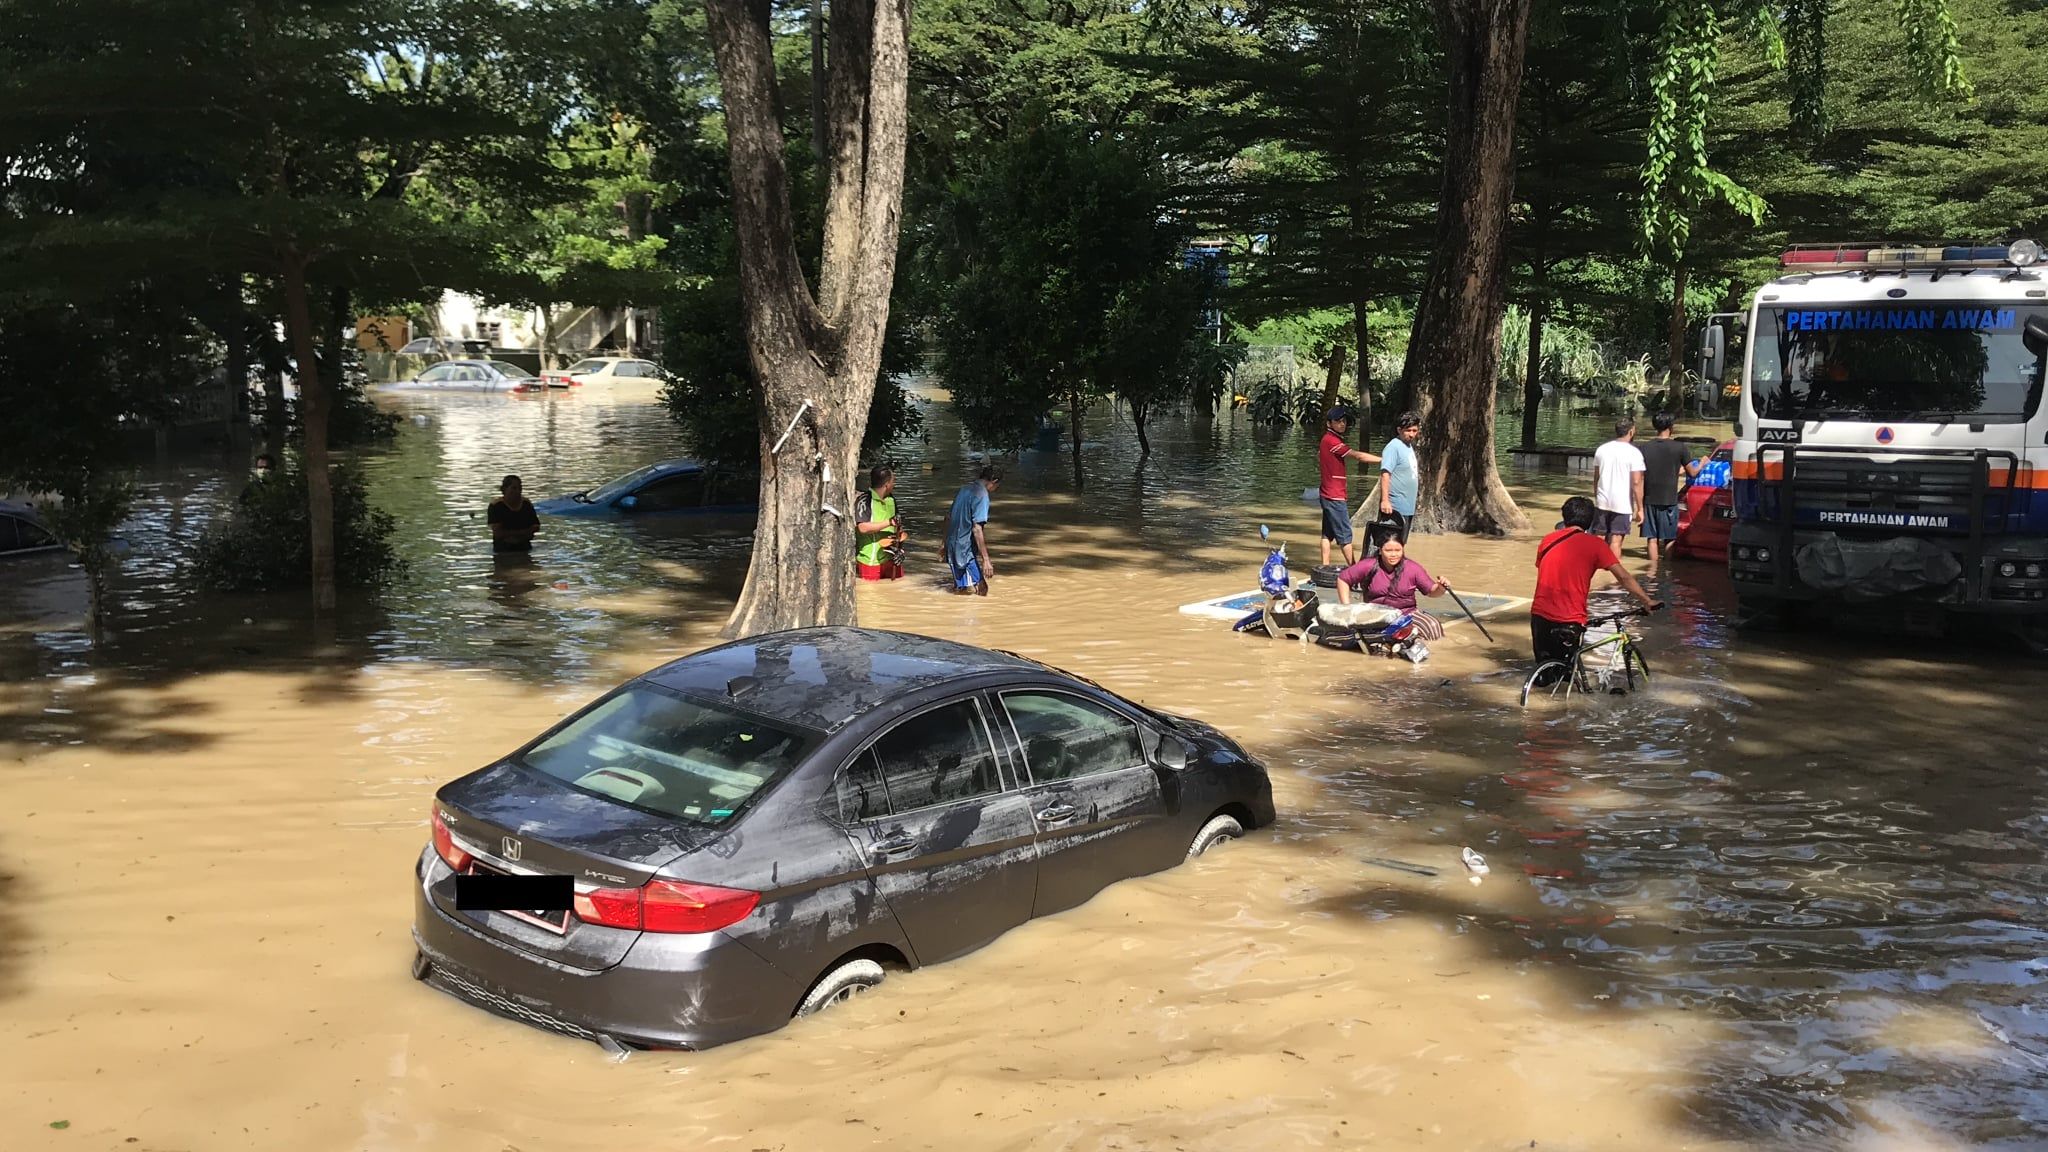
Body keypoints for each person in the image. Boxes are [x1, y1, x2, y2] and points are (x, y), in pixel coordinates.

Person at [1531, 497, 1661, 683]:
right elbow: (1623, 577)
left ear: (1565, 517)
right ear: (1590, 520)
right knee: (1567, 678)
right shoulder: (1596, 545)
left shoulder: (1547, 541)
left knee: (1543, 674)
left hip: (1540, 616)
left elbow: (1544, 569)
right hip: (1569, 618)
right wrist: (1647, 601)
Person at [1334, 536, 1449, 641]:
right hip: (1375, 614)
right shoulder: (1368, 565)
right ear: (1380, 550)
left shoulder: (1413, 568)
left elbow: (1432, 591)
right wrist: (1347, 608)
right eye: (1388, 551)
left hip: (1406, 614)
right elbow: (1343, 579)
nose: (1393, 554)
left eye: (1397, 550)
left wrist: (1441, 587)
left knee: (1432, 625)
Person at [1317, 406, 1381, 568]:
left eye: (1344, 421)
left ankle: (1324, 566)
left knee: (1328, 533)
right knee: (1345, 535)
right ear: (1329, 424)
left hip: (1327, 494)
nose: (1342, 424)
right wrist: (1384, 460)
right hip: (1335, 496)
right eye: (1338, 421)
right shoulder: (1332, 441)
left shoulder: (1328, 440)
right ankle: (1354, 569)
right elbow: (1358, 456)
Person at [1638, 413, 1700, 565]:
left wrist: (1638, 505)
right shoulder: (1679, 447)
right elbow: (1692, 472)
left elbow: (1640, 476)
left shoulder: (1644, 448)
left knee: (1652, 538)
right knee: (1669, 538)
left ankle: (1652, 572)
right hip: (1669, 499)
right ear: (1671, 428)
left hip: (1649, 498)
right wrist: (1703, 463)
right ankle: (1666, 570)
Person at [1591, 417, 1646, 552]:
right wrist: (1640, 508)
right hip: (1622, 504)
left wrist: (1597, 497)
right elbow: (1636, 482)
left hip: (1602, 501)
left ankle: (1596, 571)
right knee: (1616, 541)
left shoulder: (1602, 449)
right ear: (1631, 431)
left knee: (1598, 538)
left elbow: (1596, 477)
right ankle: (1611, 573)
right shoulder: (1634, 453)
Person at [945, 465, 1000, 596]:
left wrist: (944, 544)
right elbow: (977, 529)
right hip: (965, 552)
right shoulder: (982, 495)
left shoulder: (964, 489)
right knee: (982, 589)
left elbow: (947, 518)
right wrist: (986, 560)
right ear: (994, 481)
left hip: (952, 547)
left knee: (961, 589)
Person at [1375, 411, 1422, 548]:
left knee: (1400, 545)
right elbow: (1385, 474)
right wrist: (1385, 500)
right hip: (1394, 508)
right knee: (1388, 546)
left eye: (1415, 430)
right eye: (1408, 430)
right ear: (1399, 430)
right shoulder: (1393, 447)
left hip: (1407, 507)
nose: (1412, 434)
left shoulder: (1408, 447)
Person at [853, 466, 907, 581]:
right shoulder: (865, 500)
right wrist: (889, 522)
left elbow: (898, 528)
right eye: (893, 482)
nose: (894, 485)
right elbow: (862, 528)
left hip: (891, 558)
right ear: (887, 484)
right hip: (870, 561)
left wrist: (901, 551)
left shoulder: (891, 499)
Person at [488, 474, 540, 554]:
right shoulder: (496, 506)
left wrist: (518, 535)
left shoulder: (526, 504)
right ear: (504, 489)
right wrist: (522, 533)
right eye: (514, 488)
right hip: (502, 549)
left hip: (524, 547)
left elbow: (536, 526)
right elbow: (498, 533)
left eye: (520, 488)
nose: (517, 492)